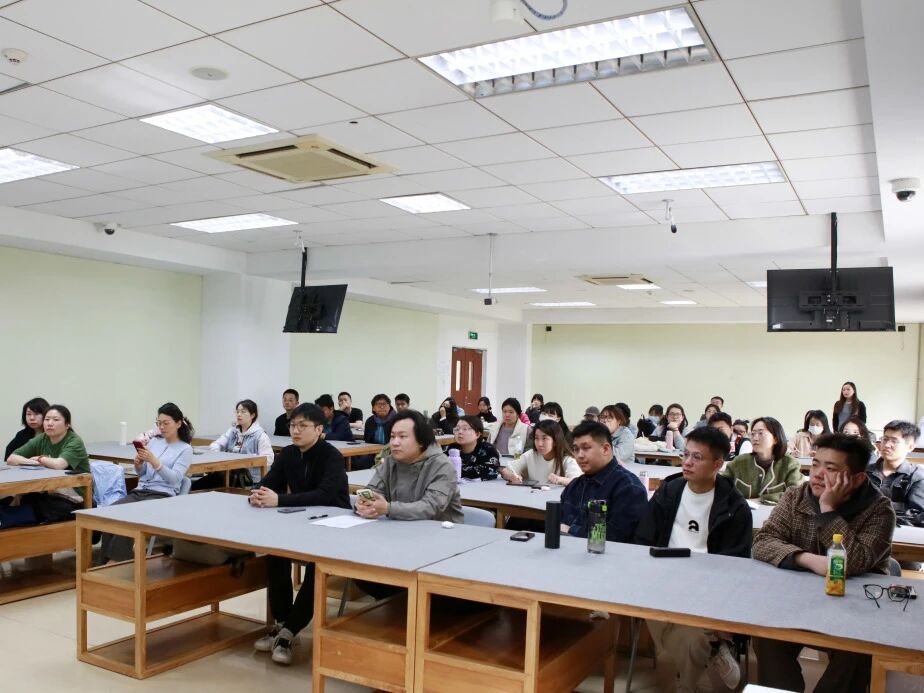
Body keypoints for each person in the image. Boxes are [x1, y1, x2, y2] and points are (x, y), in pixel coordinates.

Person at [752, 433, 894, 693]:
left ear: (857, 478)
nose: (817, 474)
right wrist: (807, 560)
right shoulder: (796, 496)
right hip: (798, 600)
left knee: (857, 650)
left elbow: (855, 561)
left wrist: (828, 509)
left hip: (856, 607)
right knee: (766, 635)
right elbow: (763, 541)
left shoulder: (879, 510)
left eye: (831, 469)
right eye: (815, 464)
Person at [635, 426, 752, 693]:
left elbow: (736, 564)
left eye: (697, 457)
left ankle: (690, 681)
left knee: (692, 636)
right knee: (686, 629)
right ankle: (715, 645)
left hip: (709, 587)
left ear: (718, 464)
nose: (687, 462)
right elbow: (643, 539)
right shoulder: (668, 492)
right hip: (662, 577)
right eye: (685, 454)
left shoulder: (735, 507)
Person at [249, 403, 350, 666]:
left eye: (303, 426)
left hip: (335, 525)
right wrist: (258, 494)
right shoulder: (288, 454)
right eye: (293, 425)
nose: (295, 430)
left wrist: (279, 500)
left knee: (316, 568)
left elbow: (325, 495)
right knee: (275, 554)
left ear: (319, 429)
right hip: (301, 521)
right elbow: (270, 482)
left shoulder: (332, 456)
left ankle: (289, 631)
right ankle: (284, 625)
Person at [100, 403, 194, 562]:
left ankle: (117, 563)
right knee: (110, 513)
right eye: (159, 423)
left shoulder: (185, 449)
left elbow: (175, 479)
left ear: (178, 423)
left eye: (166, 423)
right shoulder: (155, 442)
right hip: (142, 491)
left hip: (162, 496)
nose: (161, 427)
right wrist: (139, 465)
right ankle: (105, 563)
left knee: (129, 517)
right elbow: (143, 474)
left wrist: (154, 461)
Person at [355, 410, 463, 522]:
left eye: (402, 436)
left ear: (421, 441)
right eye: (392, 436)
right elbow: (373, 491)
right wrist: (363, 505)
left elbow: (430, 507)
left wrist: (388, 508)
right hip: (397, 528)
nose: (395, 443)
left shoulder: (442, 466)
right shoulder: (390, 463)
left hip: (440, 530)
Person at [560, 421, 648, 542]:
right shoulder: (573, 486)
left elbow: (616, 538)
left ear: (605, 449)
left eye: (586, 448)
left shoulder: (629, 488)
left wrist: (571, 530)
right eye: (575, 449)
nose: (579, 455)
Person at [6, 404, 90, 523]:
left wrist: (40, 459)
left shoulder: (74, 441)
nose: (50, 423)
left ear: (67, 424)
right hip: (49, 490)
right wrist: (33, 462)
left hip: (76, 497)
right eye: (47, 419)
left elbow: (59, 464)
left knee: (37, 508)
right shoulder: (42, 438)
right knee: (25, 500)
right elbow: (11, 458)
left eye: (56, 420)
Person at [194, 399, 274, 489]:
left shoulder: (260, 435)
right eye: (237, 411)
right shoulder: (233, 431)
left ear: (253, 415)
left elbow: (269, 459)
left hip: (249, 478)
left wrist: (246, 459)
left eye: (243, 412)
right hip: (229, 473)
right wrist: (219, 454)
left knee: (204, 485)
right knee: (199, 484)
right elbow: (216, 444)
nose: (239, 414)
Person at [722, 416, 801, 503]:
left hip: (777, 512)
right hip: (742, 511)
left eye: (761, 433)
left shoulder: (789, 464)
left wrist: (761, 500)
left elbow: (796, 494)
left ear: (775, 439)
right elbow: (721, 488)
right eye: (753, 434)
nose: (755, 438)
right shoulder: (739, 462)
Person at [867, 420, 924, 516]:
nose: (886, 445)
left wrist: (876, 505)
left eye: (894, 441)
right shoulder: (865, 471)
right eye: (885, 439)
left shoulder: (917, 477)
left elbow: (916, 513)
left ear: (910, 447)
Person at [501, 419, 579, 486]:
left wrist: (560, 479)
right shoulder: (531, 454)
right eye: (536, 438)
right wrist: (511, 476)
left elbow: (578, 481)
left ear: (555, 440)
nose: (539, 444)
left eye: (544, 438)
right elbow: (506, 469)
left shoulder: (567, 459)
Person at [448, 415, 499, 480]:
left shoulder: (488, 449)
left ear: (477, 434)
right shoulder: (452, 448)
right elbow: (441, 467)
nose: (460, 432)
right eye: (457, 429)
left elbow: (489, 471)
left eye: (465, 429)